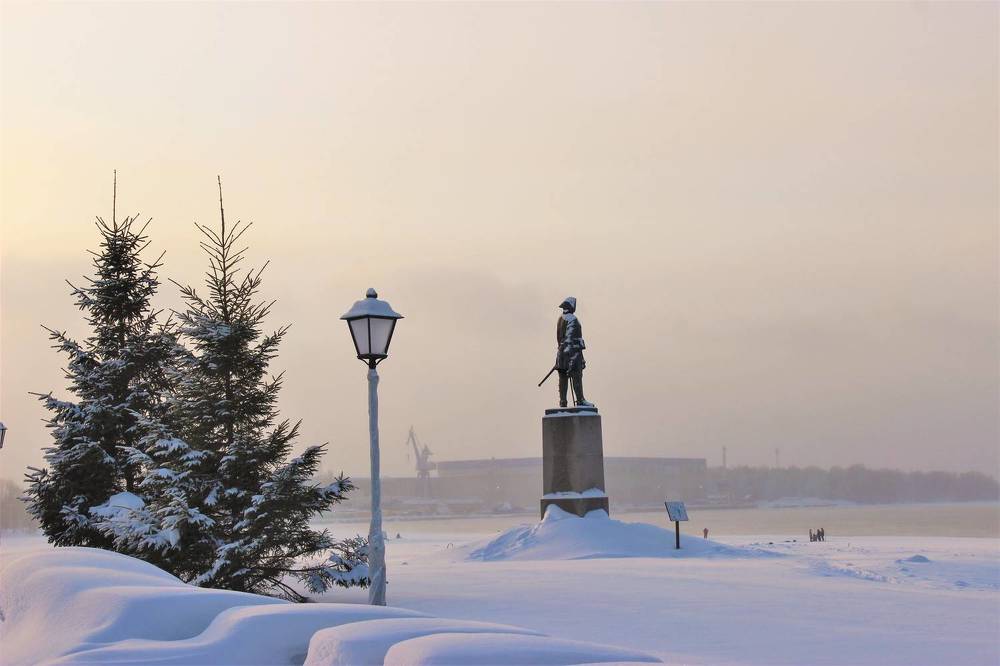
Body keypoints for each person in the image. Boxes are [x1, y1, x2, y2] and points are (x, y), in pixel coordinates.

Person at [555, 297, 593, 408]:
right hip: (572, 355)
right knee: (576, 376)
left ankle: (563, 401)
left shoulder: (560, 319)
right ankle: (580, 400)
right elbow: (569, 340)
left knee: (563, 379)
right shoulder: (573, 320)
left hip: (561, 355)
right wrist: (572, 359)